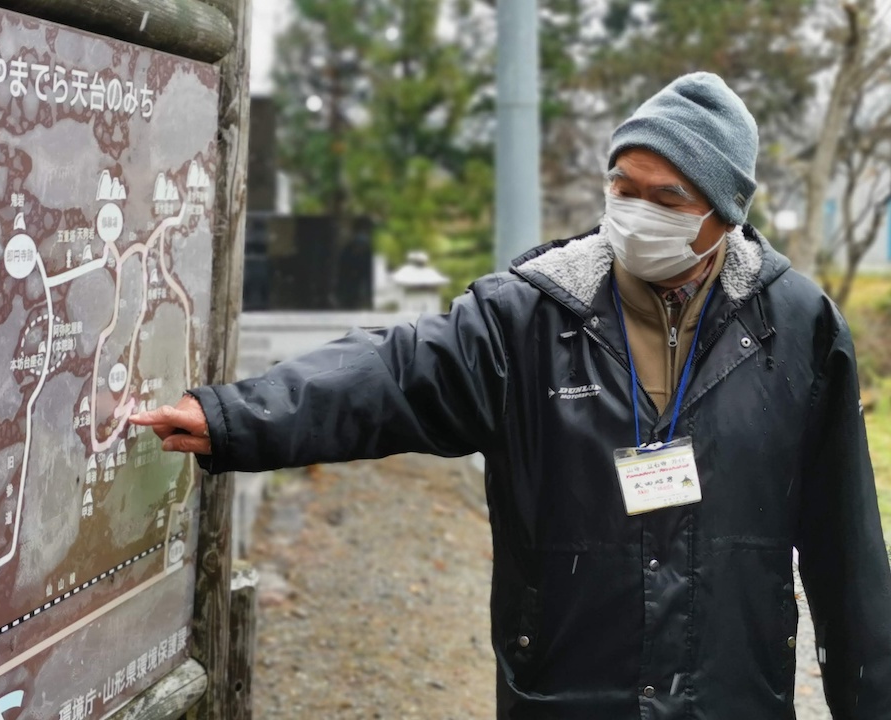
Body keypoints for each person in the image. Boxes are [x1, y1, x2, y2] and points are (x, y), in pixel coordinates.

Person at [130, 72, 891, 718]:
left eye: (667, 197)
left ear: (723, 213)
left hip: (731, 692)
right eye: (623, 187)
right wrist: (237, 417)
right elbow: (396, 372)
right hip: (568, 688)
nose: (636, 213)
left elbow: (845, 547)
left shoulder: (796, 326)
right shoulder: (531, 314)